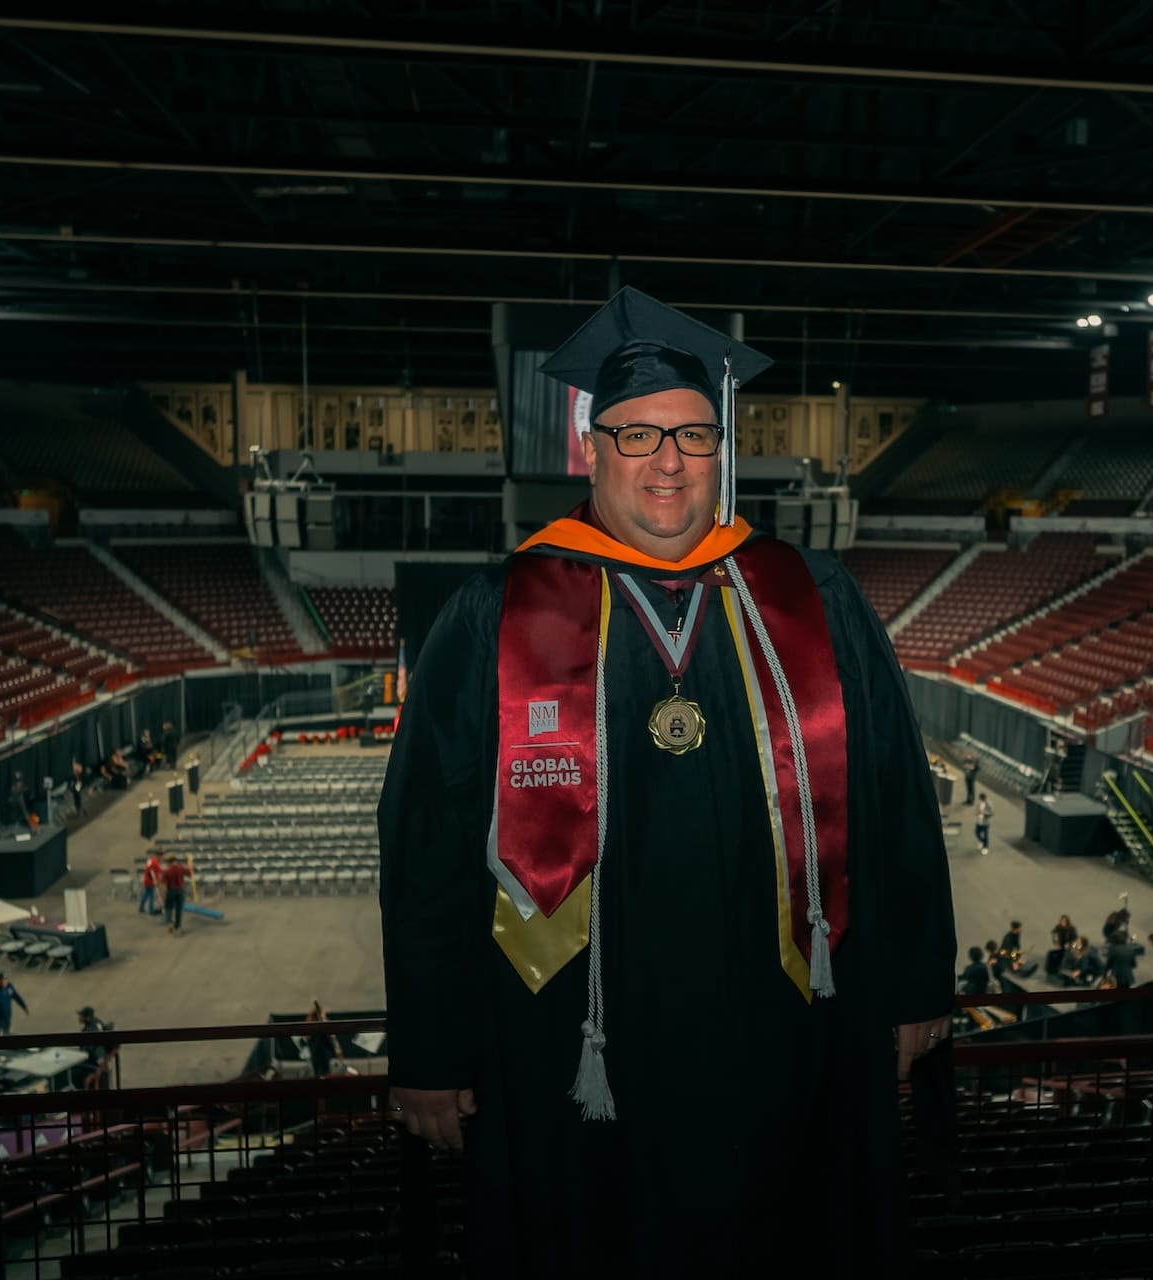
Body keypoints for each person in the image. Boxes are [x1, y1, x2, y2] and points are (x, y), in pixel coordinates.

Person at [377, 288, 956, 1275]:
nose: (668, 460)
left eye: (691, 434)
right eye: (637, 434)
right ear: (591, 450)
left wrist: (912, 984)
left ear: (721, 450)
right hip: (577, 1038)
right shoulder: (496, 612)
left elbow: (896, 800)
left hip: (787, 1026)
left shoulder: (811, 596)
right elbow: (427, 843)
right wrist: (429, 1049)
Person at [71, 1006, 113, 1090]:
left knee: (73, 1069)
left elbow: (85, 1053)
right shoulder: (98, 1022)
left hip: (95, 1064)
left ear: (87, 1017)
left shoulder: (89, 1032)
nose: (79, 1017)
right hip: (101, 1060)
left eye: (81, 1015)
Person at [304, 999, 347, 1077]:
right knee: (325, 1075)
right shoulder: (319, 1027)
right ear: (320, 1015)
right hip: (322, 1056)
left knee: (318, 1075)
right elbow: (328, 1040)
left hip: (315, 1056)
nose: (325, 1016)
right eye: (324, 1014)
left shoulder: (311, 1026)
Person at [158, 853, 192, 934]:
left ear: (169, 862)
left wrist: (162, 896)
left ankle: (169, 922)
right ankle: (178, 926)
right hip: (180, 891)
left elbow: (162, 884)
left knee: (168, 908)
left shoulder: (166, 871)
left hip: (171, 891)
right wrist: (189, 866)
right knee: (178, 910)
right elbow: (190, 874)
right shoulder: (181, 868)